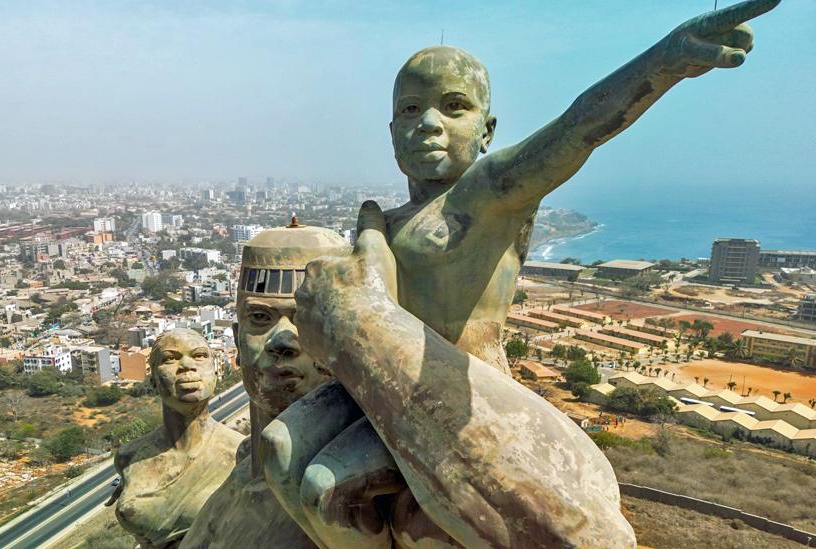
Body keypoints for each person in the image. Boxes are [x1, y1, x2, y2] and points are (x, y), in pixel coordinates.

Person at [262, 1, 781, 546]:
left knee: (328, 486)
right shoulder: (384, 223)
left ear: (487, 130)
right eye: (411, 110)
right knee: (277, 449)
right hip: (375, 385)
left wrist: (665, 61)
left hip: (462, 391)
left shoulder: (485, 196)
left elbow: (577, 128)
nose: (428, 124)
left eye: (453, 106)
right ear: (392, 131)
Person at [178, 221, 352, 548]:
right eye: (260, 318)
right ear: (236, 340)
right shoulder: (245, 466)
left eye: (305, 318)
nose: (282, 341)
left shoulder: (348, 506)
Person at [108, 329, 243, 548]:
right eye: (170, 358)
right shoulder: (129, 456)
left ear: (216, 372)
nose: (187, 366)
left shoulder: (240, 454)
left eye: (199, 355)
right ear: (153, 379)